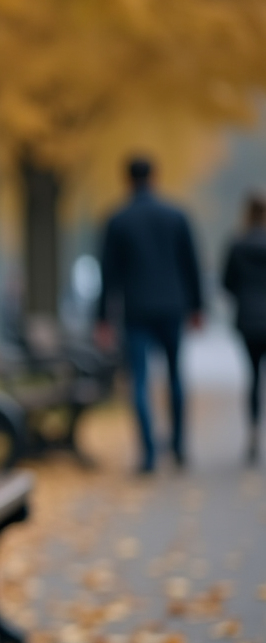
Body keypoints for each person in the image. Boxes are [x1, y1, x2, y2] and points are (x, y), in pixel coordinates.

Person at [95, 156, 204, 473]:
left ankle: (148, 454)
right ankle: (179, 446)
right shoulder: (176, 215)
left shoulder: (118, 220)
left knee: (139, 381)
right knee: (175, 376)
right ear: (154, 177)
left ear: (127, 179)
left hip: (136, 310)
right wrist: (197, 307)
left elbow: (108, 275)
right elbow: (191, 264)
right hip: (172, 306)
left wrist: (102, 318)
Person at [221, 193, 266, 464]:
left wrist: (244, 295)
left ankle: (253, 431)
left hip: (248, 319)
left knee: (253, 377)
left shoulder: (237, 245)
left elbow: (227, 283)